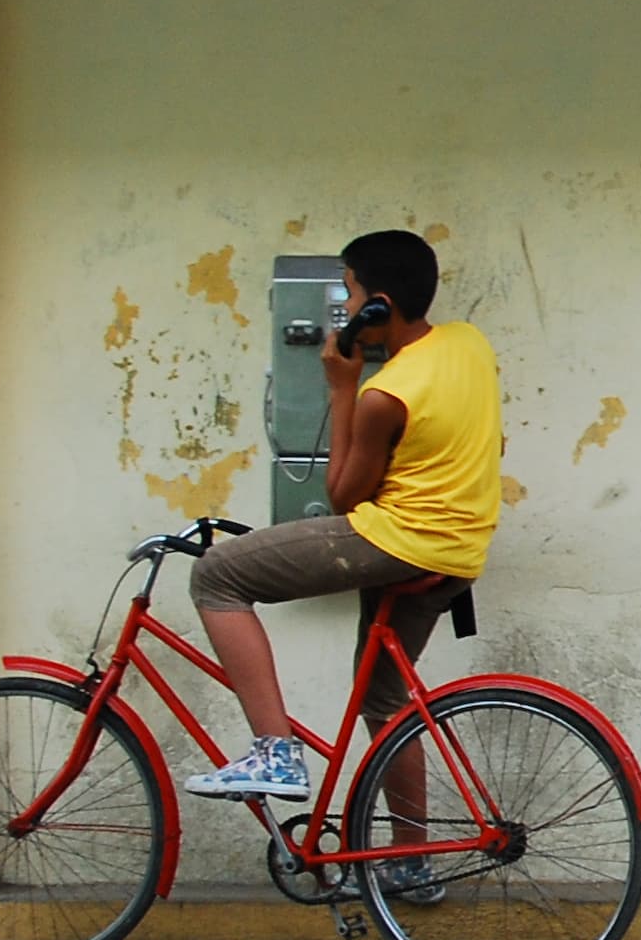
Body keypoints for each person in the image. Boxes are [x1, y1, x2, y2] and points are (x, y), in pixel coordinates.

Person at [181, 230, 501, 811]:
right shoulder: (468, 344)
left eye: (351, 296)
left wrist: (342, 386)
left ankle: (274, 751)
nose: (346, 311)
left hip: (399, 540)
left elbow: (343, 498)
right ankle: (411, 863)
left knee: (217, 575)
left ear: (379, 305)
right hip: (457, 551)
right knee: (386, 704)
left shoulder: (387, 394)